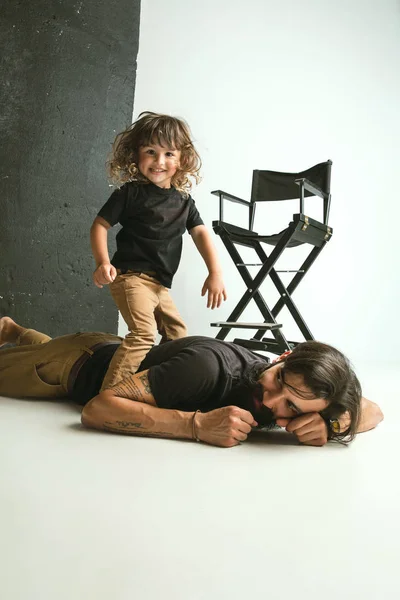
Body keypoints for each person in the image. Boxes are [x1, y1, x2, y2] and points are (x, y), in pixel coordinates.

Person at [0, 316, 383, 448]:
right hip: (74, 368)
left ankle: (16, 330)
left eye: (293, 408)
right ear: (282, 356)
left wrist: (334, 423)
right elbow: (98, 408)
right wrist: (195, 424)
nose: (272, 402)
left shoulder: (313, 392)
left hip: (119, 352)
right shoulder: (207, 368)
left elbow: (374, 410)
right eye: (278, 379)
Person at [90, 111, 227, 391]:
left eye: (168, 154)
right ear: (136, 155)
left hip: (159, 285)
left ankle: (149, 385)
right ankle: (108, 396)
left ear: (182, 159)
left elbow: (201, 233)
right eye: (151, 152)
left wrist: (215, 272)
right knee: (142, 334)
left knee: (177, 335)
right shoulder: (130, 194)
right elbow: (99, 226)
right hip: (131, 278)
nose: (159, 162)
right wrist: (103, 262)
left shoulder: (184, 201)